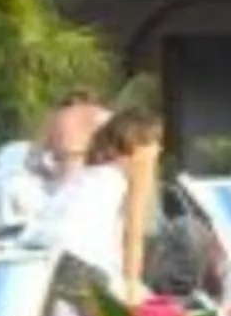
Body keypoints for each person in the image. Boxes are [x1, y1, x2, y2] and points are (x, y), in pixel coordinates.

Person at [35, 106, 161, 297]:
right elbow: (133, 232)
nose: (160, 149)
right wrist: (132, 285)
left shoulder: (92, 163)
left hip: (43, 248)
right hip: (83, 258)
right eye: (157, 142)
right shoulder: (139, 164)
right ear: (144, 143)